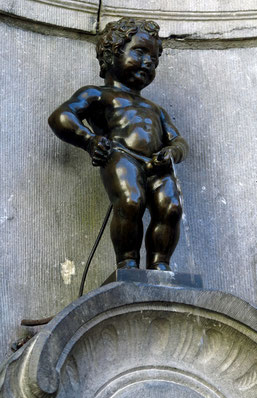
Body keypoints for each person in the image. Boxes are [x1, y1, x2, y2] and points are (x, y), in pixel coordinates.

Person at [48, 17, 189, 271]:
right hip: (121, 155)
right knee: (130, 201)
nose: (148, 62)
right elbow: (61, 116)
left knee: (170, 207)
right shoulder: (98, 94)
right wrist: (90, 141)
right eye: (140, 51)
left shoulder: (156, 109)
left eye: (154, 59)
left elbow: (178, 139)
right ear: (112, 52)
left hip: (157, 163)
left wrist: (172, 151)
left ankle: (160, 266)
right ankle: (128, 263)